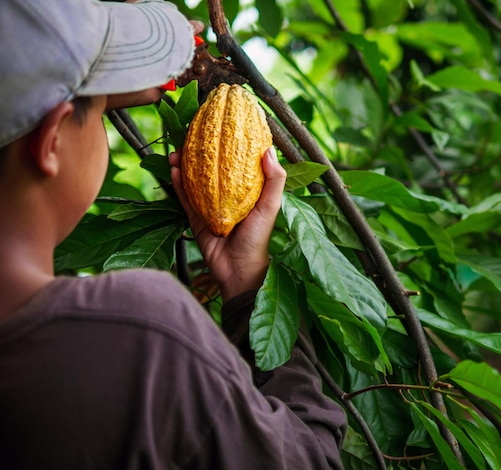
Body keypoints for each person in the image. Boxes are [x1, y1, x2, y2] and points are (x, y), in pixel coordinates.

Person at [0, 0, 347, 468]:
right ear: (53, 140)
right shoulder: (144, 335)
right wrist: (249, 284)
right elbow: (310, 459)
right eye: (101, 111)